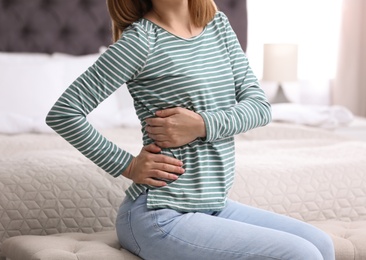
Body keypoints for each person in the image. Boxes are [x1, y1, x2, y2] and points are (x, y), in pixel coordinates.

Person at [46, 0, 335, 259]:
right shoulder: (140, 42)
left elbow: (260, 107)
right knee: (301, 253)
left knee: (321, 244)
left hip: (211, 204)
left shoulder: (218, 26)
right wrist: (129, 165)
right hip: (159, 214)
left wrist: (202, 125)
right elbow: (64, 113)